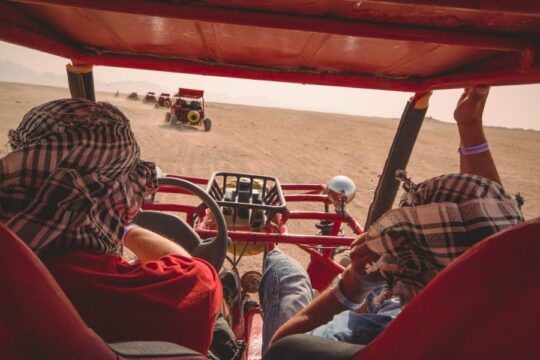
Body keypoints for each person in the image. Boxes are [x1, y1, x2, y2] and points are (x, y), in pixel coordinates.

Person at [258, 86, 525, 354]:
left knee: (287, 274)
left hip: (372, 320)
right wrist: (470, 127)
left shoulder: (368, 337)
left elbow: (282, 349)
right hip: (406, 309)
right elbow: (488, 233)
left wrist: (353, 285)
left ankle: (275, 252)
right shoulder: (508, 318)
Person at [0, 99, 222, 355]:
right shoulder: (167, 295)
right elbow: (194, 274)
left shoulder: (15, 274)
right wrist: (123, 229)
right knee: (277, 265)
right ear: (113, 199)